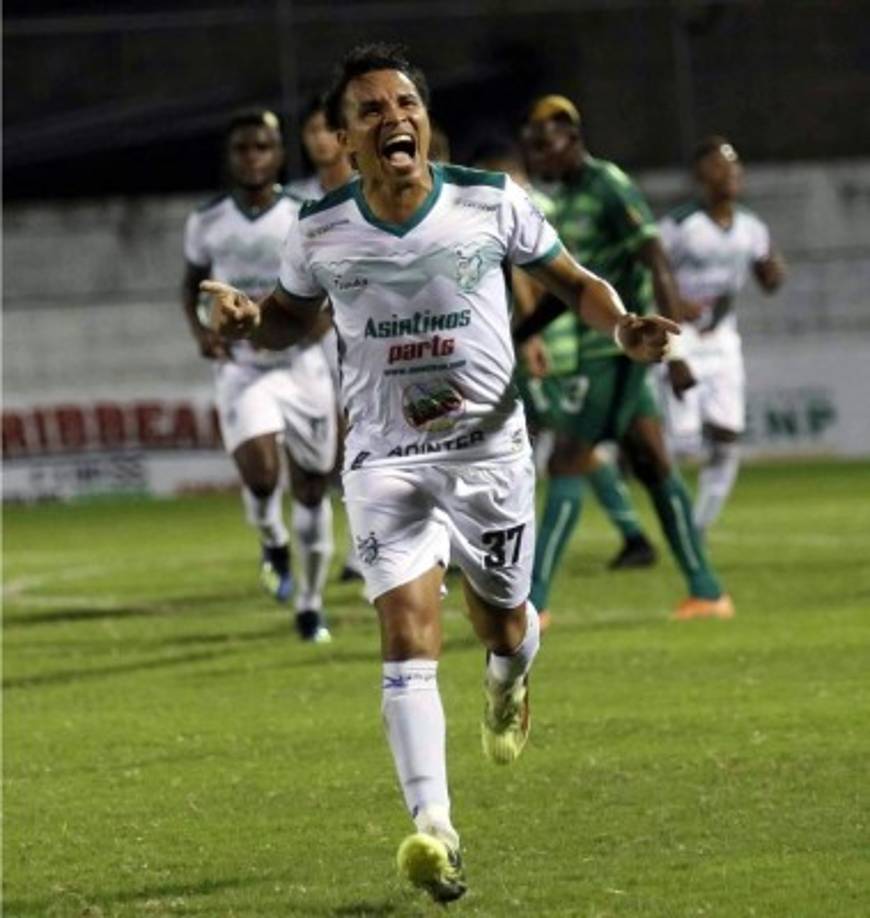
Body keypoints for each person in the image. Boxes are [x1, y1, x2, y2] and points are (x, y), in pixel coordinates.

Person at [199, 43, 677, 904]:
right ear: (343, 138)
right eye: (372, 110)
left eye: (406, 104)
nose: (395, 118)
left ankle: (510, 679)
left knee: (501, 628)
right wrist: (245, 318)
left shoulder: (490, 200)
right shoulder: (318, 230)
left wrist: (622, 327)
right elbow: (286, 322)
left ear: (425, 118)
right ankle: (435, 833)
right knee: (406, 634)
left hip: (489, 455)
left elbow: (573, 282)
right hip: (385, 461)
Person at [517, 94, 733, 625]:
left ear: (573, 137)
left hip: (614, 354)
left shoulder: (607, 185)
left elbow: (654, 256)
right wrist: (516, 334)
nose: (539, 156)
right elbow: (567, 291)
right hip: (604, 352)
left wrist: (674, 348)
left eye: (547, 144)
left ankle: (535, 604)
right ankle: (706, 590)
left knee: (568, 459)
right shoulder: (564, 201)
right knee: (655, 466)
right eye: (533, 146)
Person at [182, 108, 337, 642]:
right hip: (244, 367)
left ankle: (311, 604)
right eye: (242, 148)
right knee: (262, 475)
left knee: (314, 488)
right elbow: (192, 283)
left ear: (278, 155)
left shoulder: (307, 212)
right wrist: (203, 332)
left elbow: (338, 278)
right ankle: (272, 539)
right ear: (230, 157)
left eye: (262, 147)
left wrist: (321, 325)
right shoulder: (207, 219)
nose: (252, 157)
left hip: (302, 364)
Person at [472, 138, 658, 581]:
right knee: (558, 441)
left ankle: (502, 554)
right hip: (558, 342)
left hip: (546, 346)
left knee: (547, 444)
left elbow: (532, 276)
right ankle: (630, 533)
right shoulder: (544, 206)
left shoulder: (515, 207)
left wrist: (526, 335)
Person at [658, 136, 786, 532]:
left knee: (728, 437)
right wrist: (674, 304)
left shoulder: (751, 227)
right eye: (719, 165)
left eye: (734, 165)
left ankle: (696, 530)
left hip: (723, 339)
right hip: (682, 338)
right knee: (684, 441)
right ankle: (645, 471)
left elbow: (770, 275)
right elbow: (650, 274)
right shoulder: (679, 225)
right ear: (701, 176)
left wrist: (774, 271)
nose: (730, 172)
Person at [286, 97, 365, 583]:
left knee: (366, 438)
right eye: (311, 130)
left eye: (327, 129)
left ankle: (366, 549)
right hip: (311, 344)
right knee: (323, 451)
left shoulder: (367, 192)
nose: (320, 139)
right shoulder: (295, 201)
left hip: (362, 335)